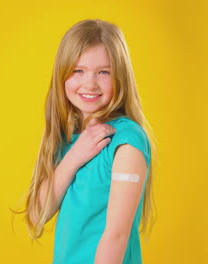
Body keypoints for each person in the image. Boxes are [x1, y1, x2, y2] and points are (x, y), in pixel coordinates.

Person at [11, 19, 158, 263]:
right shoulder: (71, 139)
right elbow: (37, 215)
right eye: (78, 70)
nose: (89, 83)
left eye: (104, 72)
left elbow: (116, 235)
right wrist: (75, 156)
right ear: (62, 75)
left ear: (120, 76)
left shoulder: (127, 143)